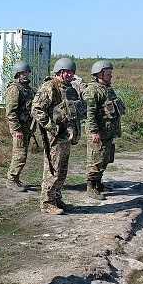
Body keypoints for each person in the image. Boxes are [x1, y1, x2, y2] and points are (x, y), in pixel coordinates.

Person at [31, 58, 85, 215]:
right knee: (53, 169)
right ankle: (47, 202)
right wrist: (52, 128)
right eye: (67, 72)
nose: (70, 74)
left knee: (62, 170)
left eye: (72, 72)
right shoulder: (50, 87)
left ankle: (56, 198)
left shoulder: (70, 88)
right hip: (55, 136)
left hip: (66, 136)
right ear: (59, 72)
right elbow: (37, 109)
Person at [83, 60, 126, 200]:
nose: (111, 76)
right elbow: (90, 114)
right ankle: (91, 187)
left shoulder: (107, 88)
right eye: (108, 74)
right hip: (98, 134)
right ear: (100, 74)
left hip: (108, 133)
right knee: (95, 160)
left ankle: (98, 184)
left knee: (105, 159)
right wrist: (94, 132)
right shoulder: (93, 90)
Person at [5, 61, 35, 192]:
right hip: (19, 128)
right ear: (17, 74)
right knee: (20, 154)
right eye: (23, 73)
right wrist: (17, 129)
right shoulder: (14, 89)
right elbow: (11, 112)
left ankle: (15, 178)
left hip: (26, 127)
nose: (26, 75)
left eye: (27, 72)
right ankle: (11, 180)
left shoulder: (27, 89)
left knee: (22, 154)